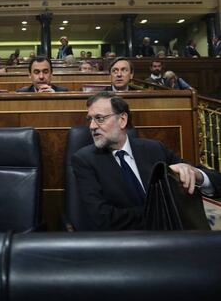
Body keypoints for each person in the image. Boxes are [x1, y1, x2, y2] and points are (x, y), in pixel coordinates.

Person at [71, 91, 221, 231]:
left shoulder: (155, 149)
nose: (91, 126)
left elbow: (216, 182)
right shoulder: (84, 160)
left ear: (122, 120)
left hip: (173, 238)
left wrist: (197, 174)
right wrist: (161, 212)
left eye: (99, 118)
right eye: (89, 119)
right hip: (125, 245)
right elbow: (103, 218)